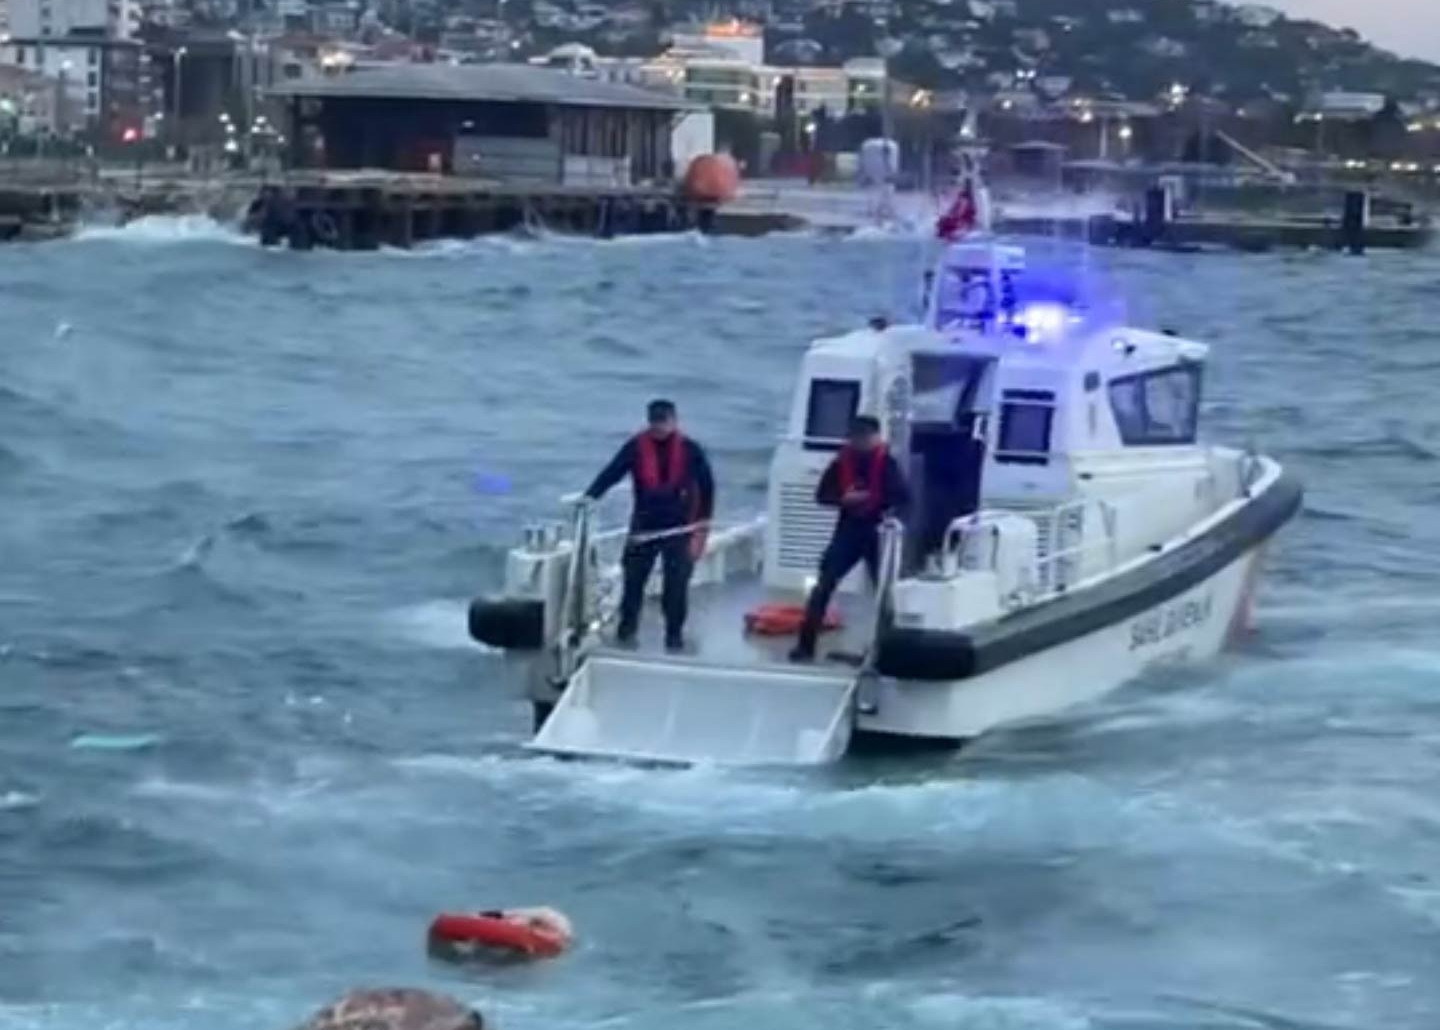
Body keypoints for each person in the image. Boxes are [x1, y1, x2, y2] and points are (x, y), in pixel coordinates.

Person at [585, 400, 715, 651]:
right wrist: (590, 497)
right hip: (644, 526)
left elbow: (707, 487)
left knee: (675, 586)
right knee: (633, 581)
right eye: (655, 421)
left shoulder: (691, 450)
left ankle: (674, 635)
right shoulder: (635, 447)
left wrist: (702, 526)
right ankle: (627, 629)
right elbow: (612, 473)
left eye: (664, 421)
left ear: (674, 420)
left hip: (679, 528)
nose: (659, 427)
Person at [790, 415, 910, 663]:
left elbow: (903, 497)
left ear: (876, 437)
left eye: (865, 437)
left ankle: (884, 649)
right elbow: (822, 495)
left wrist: (878, 502)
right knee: (823, 585)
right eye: (855, 437)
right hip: (849, 531)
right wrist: (844, 499)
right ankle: (805, 645)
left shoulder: (887, 463)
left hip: (878, 532)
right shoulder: (841, 463)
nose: (860, 442)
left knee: (884, 593)